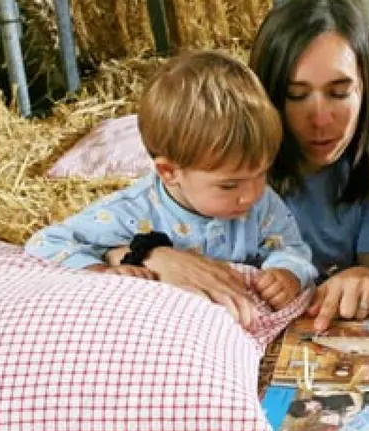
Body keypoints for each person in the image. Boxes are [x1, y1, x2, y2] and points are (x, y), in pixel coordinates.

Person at [131, 0, 369, 329]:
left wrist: (365, 279)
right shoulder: (227, 160)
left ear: (366, 89)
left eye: (339, 92)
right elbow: (93, 237)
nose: (320, 118)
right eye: (296, 95)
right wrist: (152, 255)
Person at [27, 50, 317, 312]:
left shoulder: (263, 205)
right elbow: (47, 242)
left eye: (261, 173)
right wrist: (100, 271)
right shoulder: (133, 211)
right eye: (229, 185)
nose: (252, 195)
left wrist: (287, 273)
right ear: (169, 172)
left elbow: (291, 247)